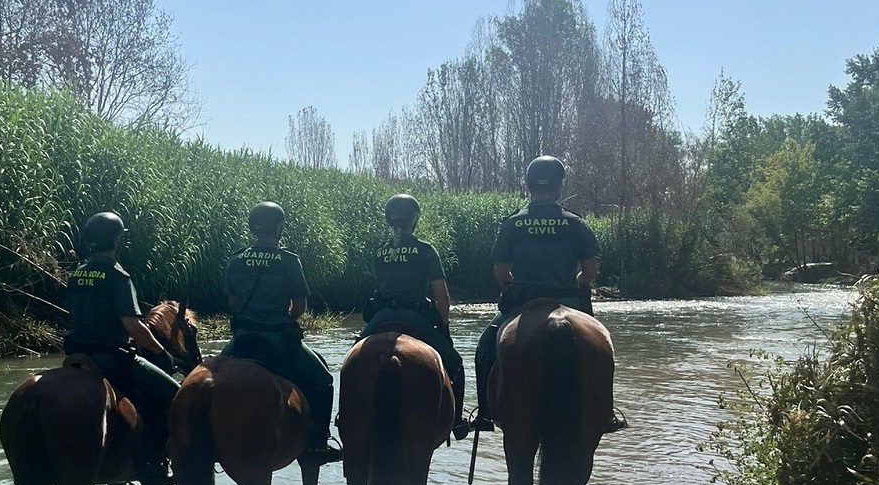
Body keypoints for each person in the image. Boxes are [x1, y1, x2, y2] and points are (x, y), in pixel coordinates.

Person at [472, 155, 621, 433]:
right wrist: (577, 282)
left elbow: (501, 272)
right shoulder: (575, 223)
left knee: (485, 348)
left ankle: (485, 412)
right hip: (569, 299)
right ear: (559, 186)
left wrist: (515, 284)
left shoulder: (513, 224)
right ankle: (607, 413)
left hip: (522, 302)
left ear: (529, 185)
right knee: (603, 345)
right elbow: (590, 271)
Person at [221, 201, 343, 464]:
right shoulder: (289, 261)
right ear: (278, 228)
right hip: (278, 340)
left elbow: (232, 303)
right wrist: (280, 320)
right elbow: (299, 307)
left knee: (206, 375)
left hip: (242, 339)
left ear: (253, 227)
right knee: (324, 381)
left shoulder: (236, 260)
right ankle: (319, 443)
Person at [64, 211, 180, 485]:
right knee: (173, 395)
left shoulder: (77, 275)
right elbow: (132, 326)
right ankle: (153, 462)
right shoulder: (118, 277)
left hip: (76, 358)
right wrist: (161, 353)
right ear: (116, 241)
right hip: (112, 358)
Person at [359, 193, 470, 439]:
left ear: (390, 220)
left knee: (352, 359)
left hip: (382, 316)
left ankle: (348, 417)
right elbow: (441, 296)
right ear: (414, 219)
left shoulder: (380, 252)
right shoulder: (425, 251)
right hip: (415, 316)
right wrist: (443, 326)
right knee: (456, 363)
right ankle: (457, 422)